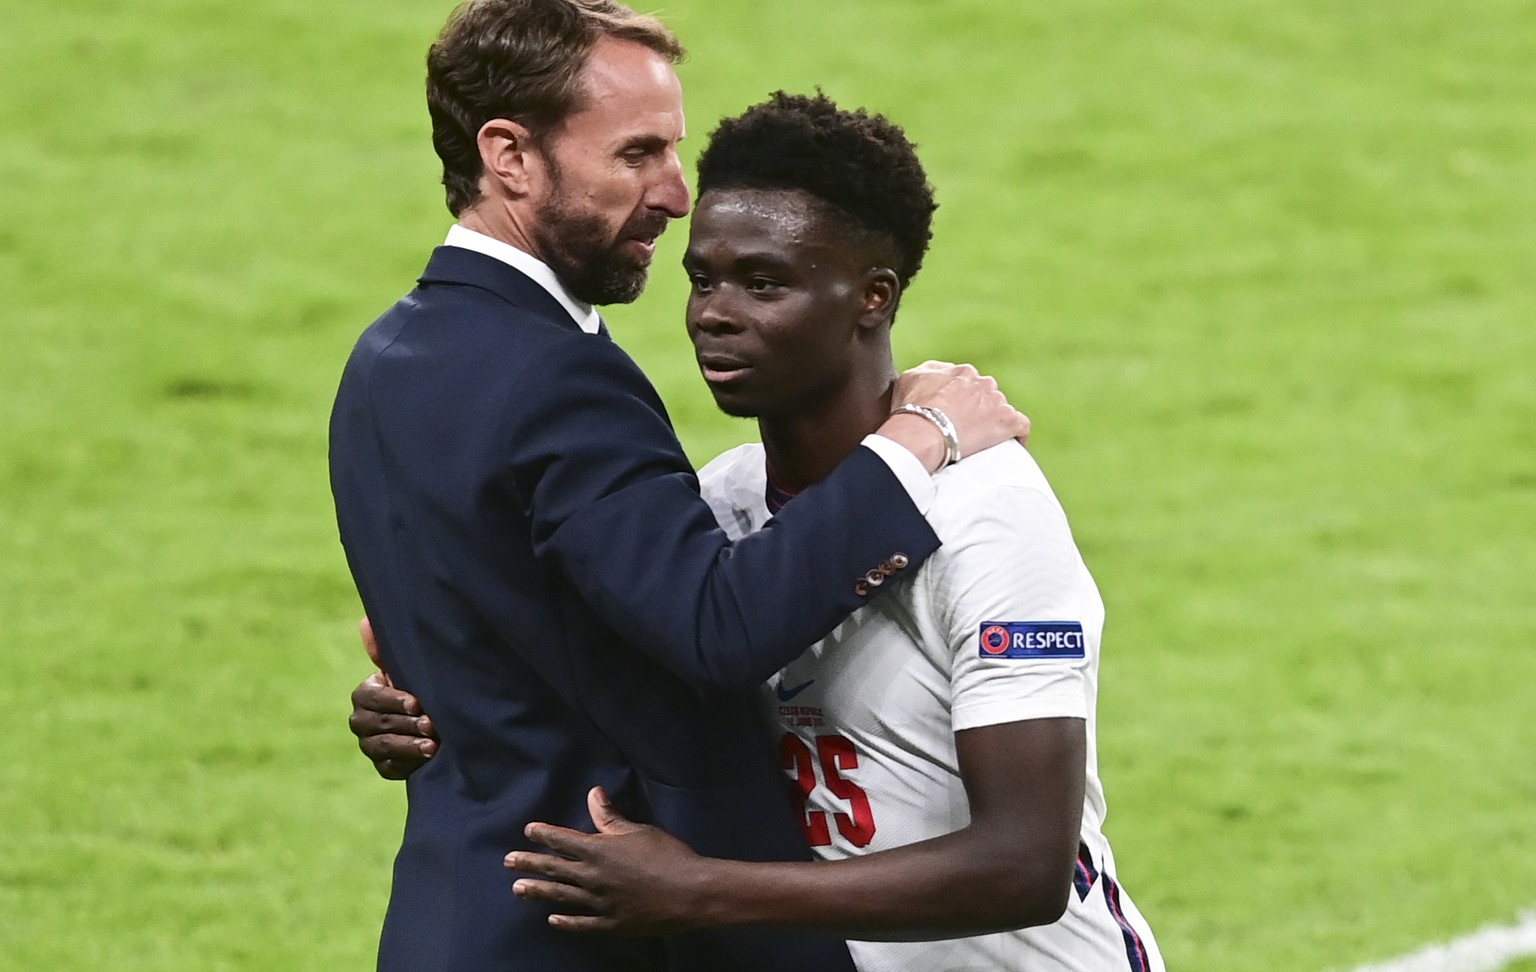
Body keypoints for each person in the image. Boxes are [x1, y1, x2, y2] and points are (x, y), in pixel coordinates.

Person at [357, 92, 1164, 970]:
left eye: (765, 283)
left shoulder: (987, 514)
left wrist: (700, 889)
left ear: (873, 297)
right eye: (703, 279)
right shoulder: (721, 506)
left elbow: (1023, 865)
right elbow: (586, 683)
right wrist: (430, 707)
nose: (715, 313)